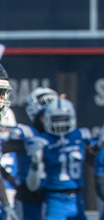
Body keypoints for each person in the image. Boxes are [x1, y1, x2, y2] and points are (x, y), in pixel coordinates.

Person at [25, 98, 95, 220]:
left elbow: (95, 159)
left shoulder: (82, 136)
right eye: (55, 119)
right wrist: (36, 162)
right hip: (55, 199)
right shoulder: (42, 141)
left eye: (63, 118)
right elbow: (32, 186)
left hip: (77, 197)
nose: (60, 123)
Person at [3, 87, 58, 219]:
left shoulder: (59, 137)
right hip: (28, 196)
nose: (50, 119)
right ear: (36, 114)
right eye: (46, 115)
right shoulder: (26, 134)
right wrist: (9, 178)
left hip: (52, 194)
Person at [0, 108, 17, 220]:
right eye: (2, 128)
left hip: (13, 189)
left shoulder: (18, 141)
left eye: (8, 129)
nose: (5, 131)